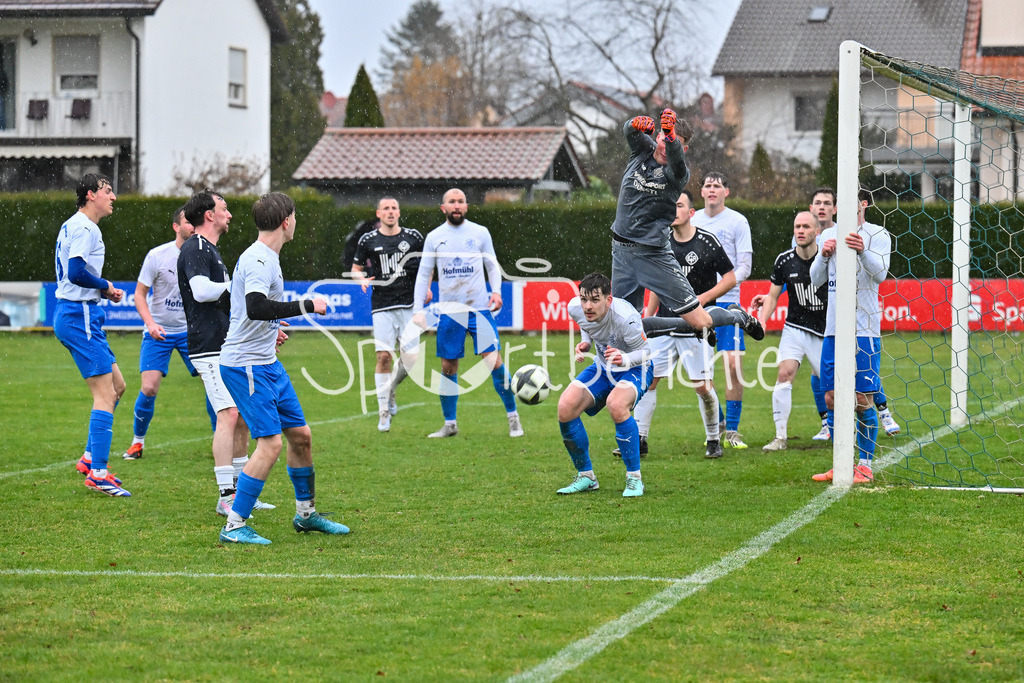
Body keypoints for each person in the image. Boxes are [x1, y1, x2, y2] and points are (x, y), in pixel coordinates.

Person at [218, 192, 349, 544]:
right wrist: (307, 304)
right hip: (246, 366)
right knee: (270, 445)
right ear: (286, 221)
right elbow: (256, 306)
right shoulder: (260, 259)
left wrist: (272, 330)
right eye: (295, 217)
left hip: (266, 363)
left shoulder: (266, 257)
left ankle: (306, 516)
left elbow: (250, 309)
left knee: (301, 437)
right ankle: (234, 525)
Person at [609, 112, 762, 348]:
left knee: (701, 322)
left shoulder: (677, 173)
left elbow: (676, 158)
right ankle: (625, 378)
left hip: (653, 255)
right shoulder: (641, 152)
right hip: (622, 252)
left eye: (676, 143)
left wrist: (671, 140)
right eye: (663, 138)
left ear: (684, 149)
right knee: (622, 329)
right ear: (656, 136)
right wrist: (635, 123)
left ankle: (736, 316)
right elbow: (628, 131)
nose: (666, 145)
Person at [178, 190, 272, 515]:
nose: (229, 215)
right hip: (208, 347)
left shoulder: (212, 251)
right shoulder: (195, 247)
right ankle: (225, 495)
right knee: (228, 415)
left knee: (242, 417)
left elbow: (229, 303)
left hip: (227, 345)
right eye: (224, 208)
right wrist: (238, 286)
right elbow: (202, 291)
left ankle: (245, 492)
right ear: (208, 215)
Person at [631, 190, 737, 460]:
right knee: (648, 381)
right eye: (670, 206)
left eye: (678, 205)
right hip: (665, 325)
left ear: (691, 212)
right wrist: (649, 314)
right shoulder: (661, 243)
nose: (673, 210)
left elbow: (730, 278)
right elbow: (657, 283)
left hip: (696, 328)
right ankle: (640, 439)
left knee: (702, 386)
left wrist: (702, 299)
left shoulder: (707, 242)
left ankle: (713, 439)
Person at [411, 188, 523, 439]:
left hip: (479, 309)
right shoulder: (434, 237)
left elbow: (491, 265)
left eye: (461, 201)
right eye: (451, 202)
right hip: (450, 312)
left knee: (493, 361)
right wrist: (418, 310)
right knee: (448, 367)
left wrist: (496, 292)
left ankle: (513, 417)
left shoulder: (480, 232)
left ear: (467, 206)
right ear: (443, 208)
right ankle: (449, 423)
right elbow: (424, 273)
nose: (457, 205)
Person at [809, 189, 891, 483]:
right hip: (833, 329)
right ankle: (840, 461)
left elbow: (881, 274)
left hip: (865, 331)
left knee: (861, 398)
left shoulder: (877, 233)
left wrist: (862, 250)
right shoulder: (827, 235)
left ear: (864, 204)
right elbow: (815, 278)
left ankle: (865, 466)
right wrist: (823, 255)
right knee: (831, 397)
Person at [122, 206, 216, 460]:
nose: (193, 226)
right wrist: (150, 323)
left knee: (213, 384)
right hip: (159, 332)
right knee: (149, 387)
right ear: (176, 227)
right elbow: (139, 294)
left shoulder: (204, 254)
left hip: (192, 332)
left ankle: (221, 440)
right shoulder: (157, 256)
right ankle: (137, 442)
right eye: (188, 222)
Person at [57, 173, 130, 496]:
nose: (113, 197)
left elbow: (72, 273)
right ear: (91, 195)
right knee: (104, 396)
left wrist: (102, 291)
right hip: (79, 315)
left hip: (79, 313)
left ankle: (89, 458)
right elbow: (75, 272)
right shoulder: (87, 227)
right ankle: (98, 473)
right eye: (107, 190)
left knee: (117, 386)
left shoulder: (73, 223)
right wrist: (106, 286)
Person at [556, 272, 652, 497]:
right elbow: (586, 325)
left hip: (636, 367)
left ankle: (634, 479)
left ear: (608, 300)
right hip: (603, 366)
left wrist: (625, 358)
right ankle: (586, 477)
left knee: (616, 405)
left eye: (595, 300)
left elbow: (647, 352)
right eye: (584, 299)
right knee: (565, 407)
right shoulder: (575, 307)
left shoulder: (626, 317)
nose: (588, 306)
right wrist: (585, 343)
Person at [750, 211, 828, 452]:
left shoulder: (828, 258)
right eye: (797, 227)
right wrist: (763, 321)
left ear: (817, 231)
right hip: (795, 327)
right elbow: (772, 295)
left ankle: (843, 429)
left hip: (824, 333)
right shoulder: (784, 260)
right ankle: (780, 437)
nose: (800, 231)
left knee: (833, 390)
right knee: (784, 374)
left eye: (806, 226)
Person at [351, 196, 427, 432]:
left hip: (409, 305)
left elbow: (426, 268)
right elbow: (355, 269)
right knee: (383, 357)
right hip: (382, 305)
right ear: (379, 214)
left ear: (399, 212)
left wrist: (428, 288)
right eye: (386, 208)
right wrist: (361, 279)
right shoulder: (368, 240)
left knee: (411, 359)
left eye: (394, 208)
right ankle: (383, 410)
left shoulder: (414, 238)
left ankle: (391, 388)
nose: (391, 212)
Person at [692, 172, 754, 449]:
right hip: (698, 305)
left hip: (728, 302)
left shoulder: (737, 221)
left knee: (732, 364)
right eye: (708, 185)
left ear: (726, 191)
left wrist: (718, 288)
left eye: (718, 185)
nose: (712, 189)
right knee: (702, 371)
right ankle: (717, 423)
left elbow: (745, 266)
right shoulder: (692, 222)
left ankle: (734, 430)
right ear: (702, 192)